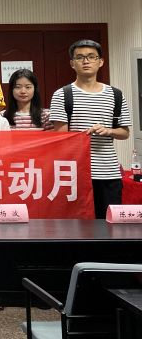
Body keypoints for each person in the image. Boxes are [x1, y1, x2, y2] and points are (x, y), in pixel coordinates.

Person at [50, 39, 130, 219]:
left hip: (108, 172)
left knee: (109, 224)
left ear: (100, 62)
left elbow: (125, 132)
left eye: (91, 57)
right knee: (76, 226)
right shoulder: (62, 95)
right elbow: (60, 137)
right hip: (74, 174)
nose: (86, 61)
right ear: (72, 63)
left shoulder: (116, 95)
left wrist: (109, 131)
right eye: (80, 57)